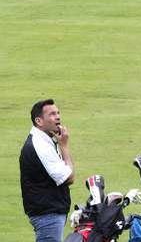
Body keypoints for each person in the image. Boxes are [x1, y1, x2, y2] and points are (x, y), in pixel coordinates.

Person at [20, 99, 75, 242]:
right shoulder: (40, 146)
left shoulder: (44, 140)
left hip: (49, 213)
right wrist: (64, 147)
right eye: (52, 114)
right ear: (39, 121)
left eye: (58, 113)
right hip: (47, 215)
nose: (58, 117)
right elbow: (69, 177)